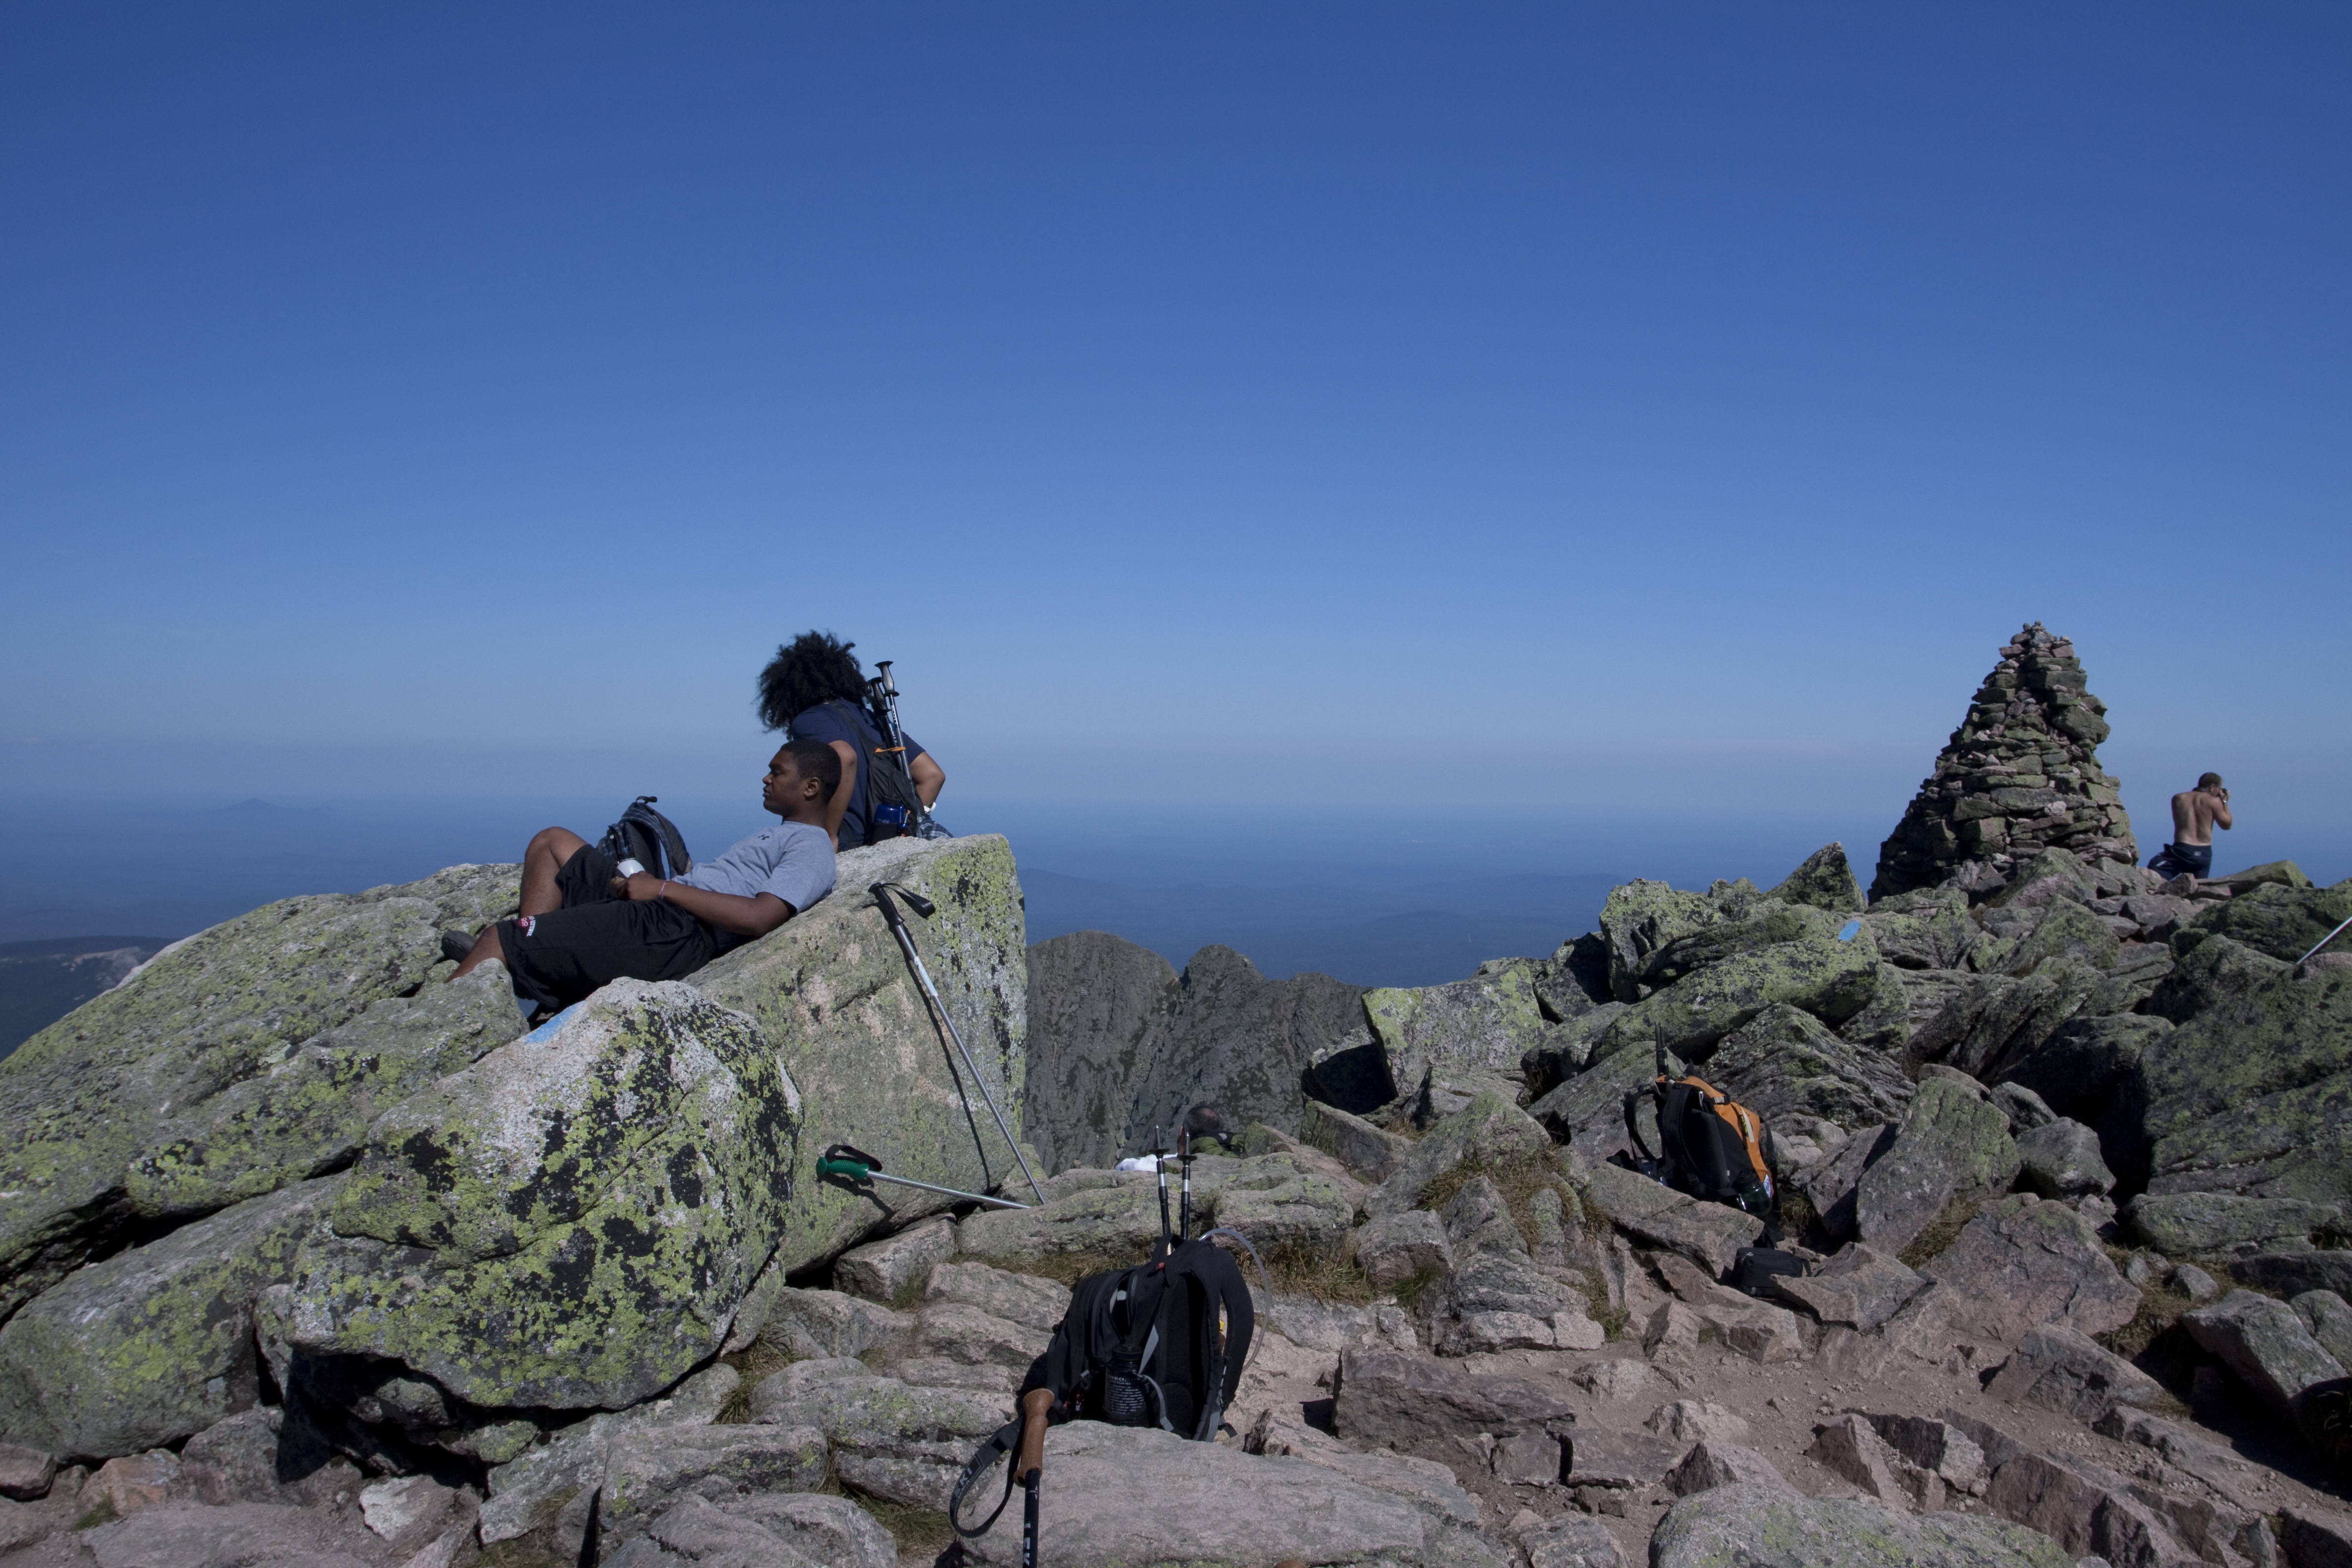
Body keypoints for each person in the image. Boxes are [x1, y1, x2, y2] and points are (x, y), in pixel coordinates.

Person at [449, 739, 841, 1017]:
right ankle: (541, 959)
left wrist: (662, 888)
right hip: (659, 908)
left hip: (673, 930)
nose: (766, 779)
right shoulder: (782, 833)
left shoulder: (812, 846)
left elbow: (761, 917)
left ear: (811, 787)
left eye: (777, 772)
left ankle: (454, 1007)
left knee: (499, 937)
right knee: (552, 843)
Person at [756, 630, 946, 850]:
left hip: (846, 844)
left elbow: (845, 756)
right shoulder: (873, 720)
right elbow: (932, 776)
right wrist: (902, 827)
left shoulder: (811, 720)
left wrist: (829, 835)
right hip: (880, 846)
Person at [2149, 772, 2233, 882]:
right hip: (2204, 854)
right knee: (2198, 888)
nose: (2219, 792)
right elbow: (2227, 825)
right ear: (2212, 787)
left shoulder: (2179, 798)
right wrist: (2225, 802)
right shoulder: (2214, 802)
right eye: (2219, 789)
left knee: (2153, 871)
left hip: (2182, 851)